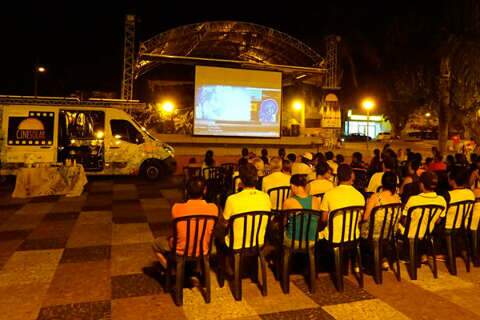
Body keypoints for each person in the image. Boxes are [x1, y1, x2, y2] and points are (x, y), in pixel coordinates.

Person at [152, 177, 218, 267]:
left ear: (186, 191)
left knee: (156, 244)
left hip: (181, 250)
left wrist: (171, 239)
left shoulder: (176, 208)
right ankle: (195, 270)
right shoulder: (213, 208)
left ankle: (171, 270)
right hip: (205, 248)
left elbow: (177, 231)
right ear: (205, 190)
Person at [220, 163, 271, 249]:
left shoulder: (232, 199)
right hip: (259, 241)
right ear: (257, 178)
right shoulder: (265, 197)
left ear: (241, 180)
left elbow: (225, 223)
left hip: (236, 244)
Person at [318, 164, 366, 242]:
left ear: (337, 178)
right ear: (352, 177)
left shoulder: (329, 194)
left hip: (332, 237)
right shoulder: (360, 196)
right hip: (353, 236)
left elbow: (324, 219)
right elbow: (360, 218)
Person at [398, 171, 447, 237]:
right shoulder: (442, 200)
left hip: (410, 234)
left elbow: (405, 221)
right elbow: (437, 221)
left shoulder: (413, 199)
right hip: (428, 233)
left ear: (421, 184)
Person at [283, 174, 321, 245]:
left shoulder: (288, 201)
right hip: (312, 240)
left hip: (293, 240)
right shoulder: (316, 200)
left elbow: (284, 222)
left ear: (292, 186)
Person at [361, 172, 401, 239]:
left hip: (373, 234)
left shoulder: (375, 197)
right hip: (390, 233)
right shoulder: (398, 199)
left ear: (382, 183)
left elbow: (365, 218)